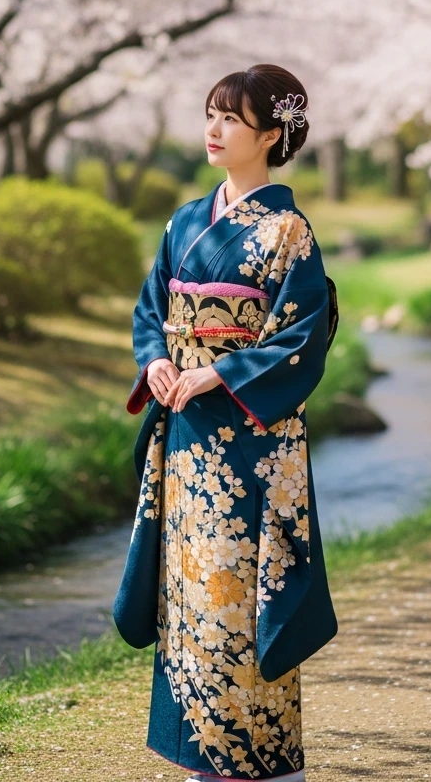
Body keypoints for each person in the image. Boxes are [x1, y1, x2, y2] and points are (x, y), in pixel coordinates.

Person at [113, 64, 338, 782]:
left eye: (231, 120)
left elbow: (303, 334)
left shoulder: (287, 231)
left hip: (250, 447)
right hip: (185, 441)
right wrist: (156, 362)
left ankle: (261, 762)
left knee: (241, 598)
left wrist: (221, 372)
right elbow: (153, 310)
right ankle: (201, 759)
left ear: (273, 134)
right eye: (210, 115)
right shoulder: (185, 220)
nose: (213, 130)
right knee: (186, 596)